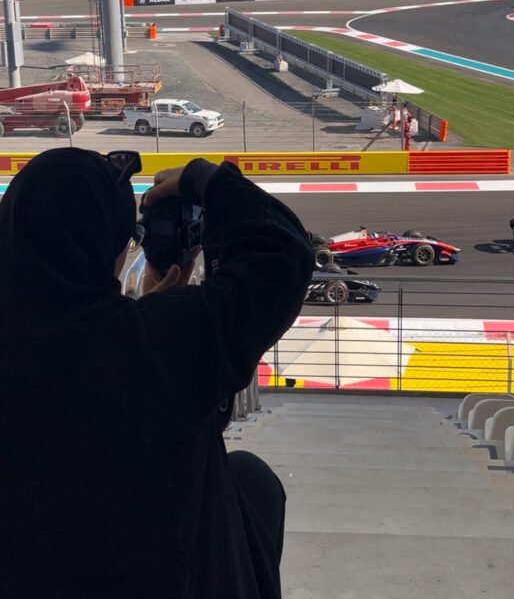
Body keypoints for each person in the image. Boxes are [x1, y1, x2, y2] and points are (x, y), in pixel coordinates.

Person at [0, 149, 315, 599]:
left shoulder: (147, 341)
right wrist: (207, 180)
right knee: (251, 479)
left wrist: (143, 319)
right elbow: (283, 256)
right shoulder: (159, 345)